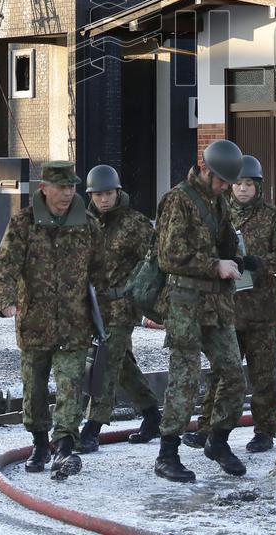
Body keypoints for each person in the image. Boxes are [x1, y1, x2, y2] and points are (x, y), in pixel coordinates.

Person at [0, 160, 108, 480]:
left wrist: (104, 310)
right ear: (44, 189)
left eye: (72, 187)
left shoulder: (87, 224)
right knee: (35, 388)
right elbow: (4, 266)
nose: (68, 193)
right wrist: (6, 302)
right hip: (34, 322)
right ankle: (40, 444)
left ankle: (66, 447)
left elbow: (100, 272)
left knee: (71, 385)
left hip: (74, 324)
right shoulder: (24, 224)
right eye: (61, 187)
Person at [184, 154, 276, 453]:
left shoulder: (274, 216)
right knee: (221, 372)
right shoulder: (217, 213)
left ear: (258, 187)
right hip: (227, 308)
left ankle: (264, 430)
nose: (243, 189)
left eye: (249, 184)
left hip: (261, 308)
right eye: (238, 183)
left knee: (263, 375)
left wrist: (256, 262)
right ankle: (207, 427)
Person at [154, 139, 247, 484]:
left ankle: (218, 440)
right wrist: (215, 265)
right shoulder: (177, 200)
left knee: (233, 374)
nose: (225, 187)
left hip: (217, 303)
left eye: (229, 183)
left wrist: (234, 257)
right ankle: (167, 453)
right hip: (185, 302)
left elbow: (227, 243)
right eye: (221, 180)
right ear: (205, 170)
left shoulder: (219, 201)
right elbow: (169, 256)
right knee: (185, 379)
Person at [79, 164, 162, 453]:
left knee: (105, 363)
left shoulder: (134, 224)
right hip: (94, 304)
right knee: (122, 364)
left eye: (109, 193)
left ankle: (92, 428)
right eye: (98, 194)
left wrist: (148, 297)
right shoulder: (84, 222)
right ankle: (152, 415)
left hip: (122, 305)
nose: (104, 199)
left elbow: (156, 262)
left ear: (118, 192)